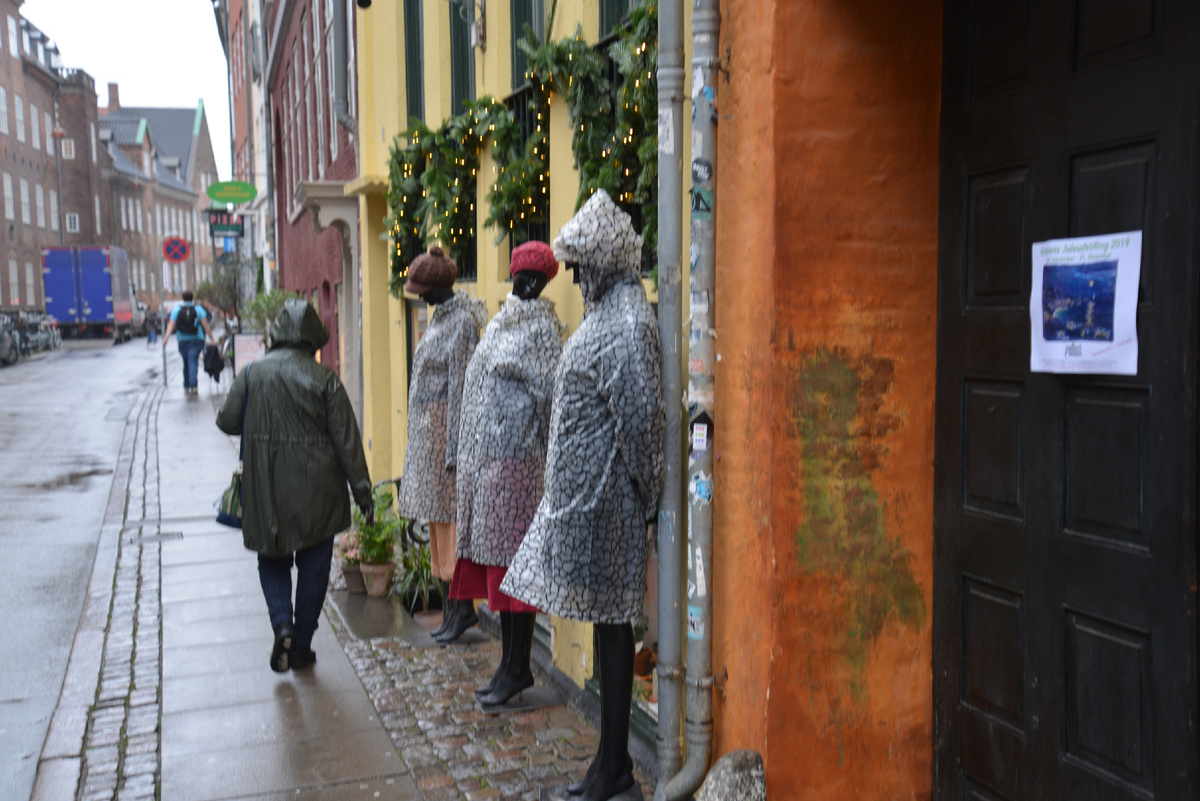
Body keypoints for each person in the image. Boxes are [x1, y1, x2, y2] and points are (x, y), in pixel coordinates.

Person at [502, 190, 664, 801]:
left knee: (615, 626)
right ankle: (609, 762)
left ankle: (614, 768)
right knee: (605, 624)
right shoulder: (608, 315)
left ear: (600, 261)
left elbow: (644, 420)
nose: (571, 277)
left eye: (577, 265)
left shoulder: (625, 323)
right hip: (589, 506)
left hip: (608, 507)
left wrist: (647, 500)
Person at [216, 299, 373, 672]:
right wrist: (363, 494)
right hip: (319, 492)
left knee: (271, 559)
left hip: (266, 487)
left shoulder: (252, 374)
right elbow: (347, 443)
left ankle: (281, 621)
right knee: (314, 568)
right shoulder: (325, 380)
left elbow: (227, 421)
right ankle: (301, 646)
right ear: (313, 337)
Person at [450, 240, 563, 687]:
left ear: (541, 281)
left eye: (531, 278)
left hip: (518, 464)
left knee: (517, 568)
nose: (524, 284)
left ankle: (518, 665)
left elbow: (551, 398)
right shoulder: (500, 323)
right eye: (520, 276)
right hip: (488, 463)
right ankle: (510, 662)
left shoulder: (541, 331)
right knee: (500, 566)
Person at [394, 246, 487, 642]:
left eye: (422, 289)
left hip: (446, 439)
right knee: (438, 524)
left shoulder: (461, 323)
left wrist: (455, 451)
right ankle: (453, 608)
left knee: (452, 525)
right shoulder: (440, 320)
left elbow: (464, 386)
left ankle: (461, 608)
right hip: (431, 441)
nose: (418, 295)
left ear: (436, 289)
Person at [162, 291, 215, 395]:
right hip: (196, 339)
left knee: (186, 362)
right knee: (192, 360)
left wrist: (166, 338)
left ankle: (186, 385)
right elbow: (206, 325)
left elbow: (171, 325)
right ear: (192, 298)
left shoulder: (177, 310)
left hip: (182, 340)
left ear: (183, 298)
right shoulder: (198, 309)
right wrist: (212, 339)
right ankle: (193, 385)